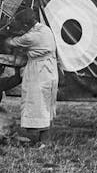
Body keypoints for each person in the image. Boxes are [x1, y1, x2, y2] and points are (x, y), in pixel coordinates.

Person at [5, 8, 59, 147]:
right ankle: (42, 139)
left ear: (25, 25)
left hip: (40, 71)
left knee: (39, 104)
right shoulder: (44, 29)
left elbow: (10, 42)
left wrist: (8, 36)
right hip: (48, 69)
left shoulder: (31, 37)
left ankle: (45, 142)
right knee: (45, 104)